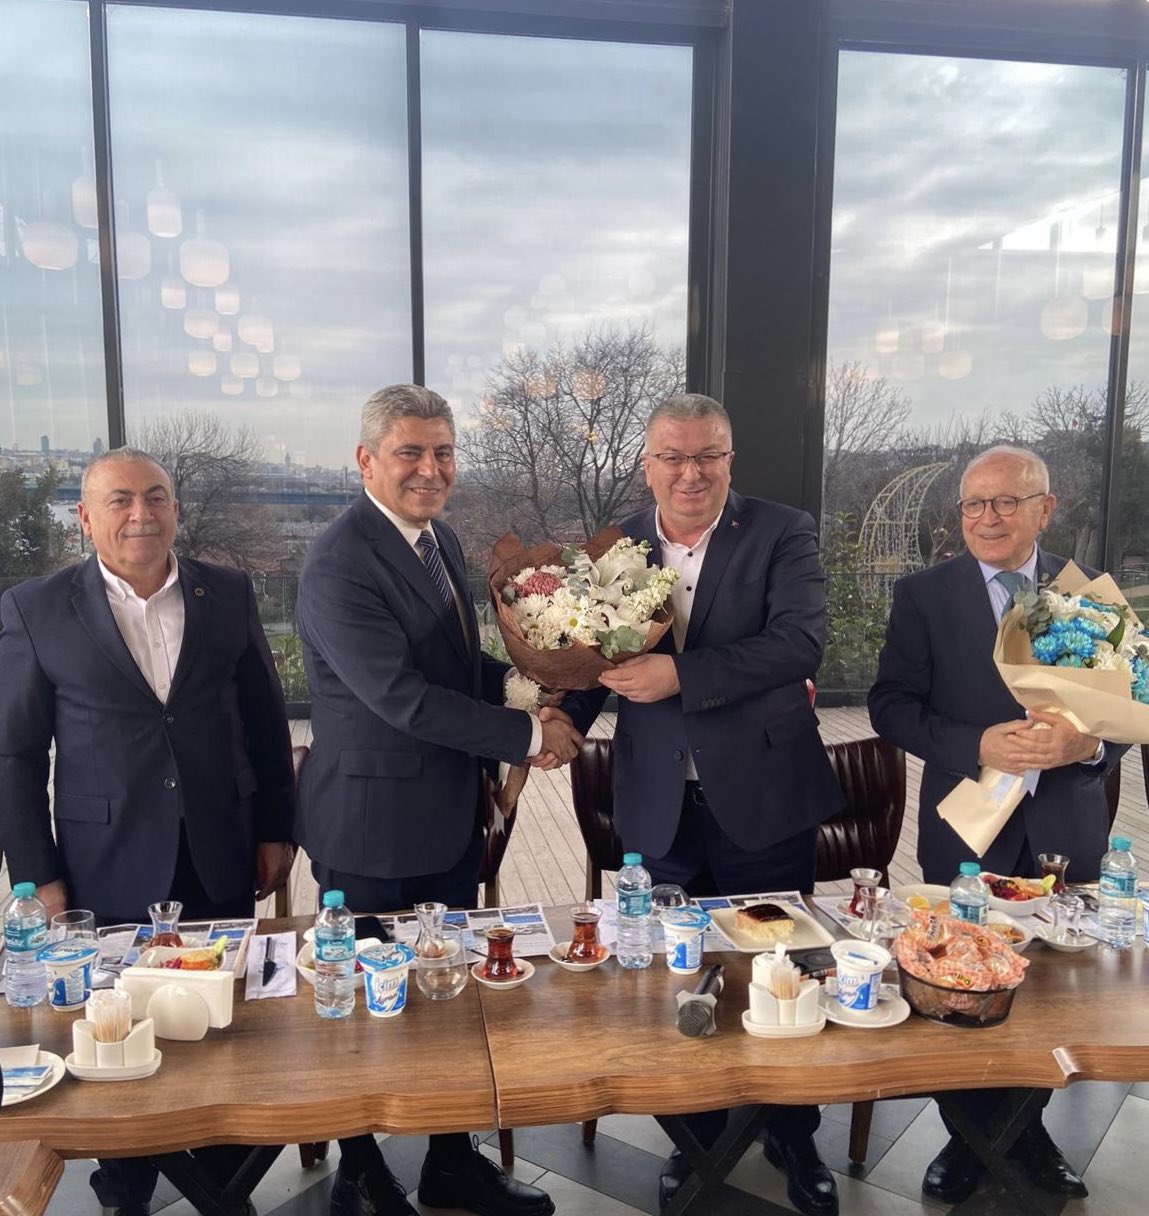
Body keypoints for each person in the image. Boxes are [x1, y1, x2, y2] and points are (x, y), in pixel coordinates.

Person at [296, 384, 580, 1216]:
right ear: (366, 461)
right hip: (369, 830)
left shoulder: (440, 539)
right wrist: (525, 735)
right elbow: (400, 697)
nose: (431, 469)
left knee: (448, 996)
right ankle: (359, 1169)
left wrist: (533, 689)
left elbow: (455, 669)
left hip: (448, 818)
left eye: (443, 452)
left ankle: (450, 1163)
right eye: (410, 453)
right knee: (364, 1006)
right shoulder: (339, 562)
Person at [0, 447, 295, 1216]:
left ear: (175, 509)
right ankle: (124, 1186)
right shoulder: (36, 608)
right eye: (121, 500)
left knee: (221, 1015)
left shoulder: (225, 591)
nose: (142, 514)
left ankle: (226, 1178)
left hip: (219, 847)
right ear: (85, 517)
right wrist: (38, 876)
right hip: (105, 860)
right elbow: (16, 756)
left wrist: (276, 829)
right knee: (115, 1022)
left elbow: (265, 721)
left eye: (156, 497)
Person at [571, 393, 845, 1216]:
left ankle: (791, 1133)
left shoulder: (782, 531)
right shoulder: (613, 545)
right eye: (672, 457)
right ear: (646, 464)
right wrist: (552, 721)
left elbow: (799, 643)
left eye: (707, 456)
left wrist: (681, 675)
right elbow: (590, 658)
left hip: (762, 794)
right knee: (673, 974)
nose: (689, 473)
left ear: (730, 460)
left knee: (782, 965)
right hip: (658, 803)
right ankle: (694, 1138)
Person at [869, 444, 1118, 1204]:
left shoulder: (1090, 598)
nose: (988, 518)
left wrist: (1089, 745)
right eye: (974, 504)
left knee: (1047, 994)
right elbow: (890, 706)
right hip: (967, 829)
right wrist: (973, 743)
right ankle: (968, 1138)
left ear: (1045, 509)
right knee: (957, 985)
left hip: (1063, 826)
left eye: (1007, 502)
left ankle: (1021, 1136)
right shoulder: (923, 595)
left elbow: (1126, 711)